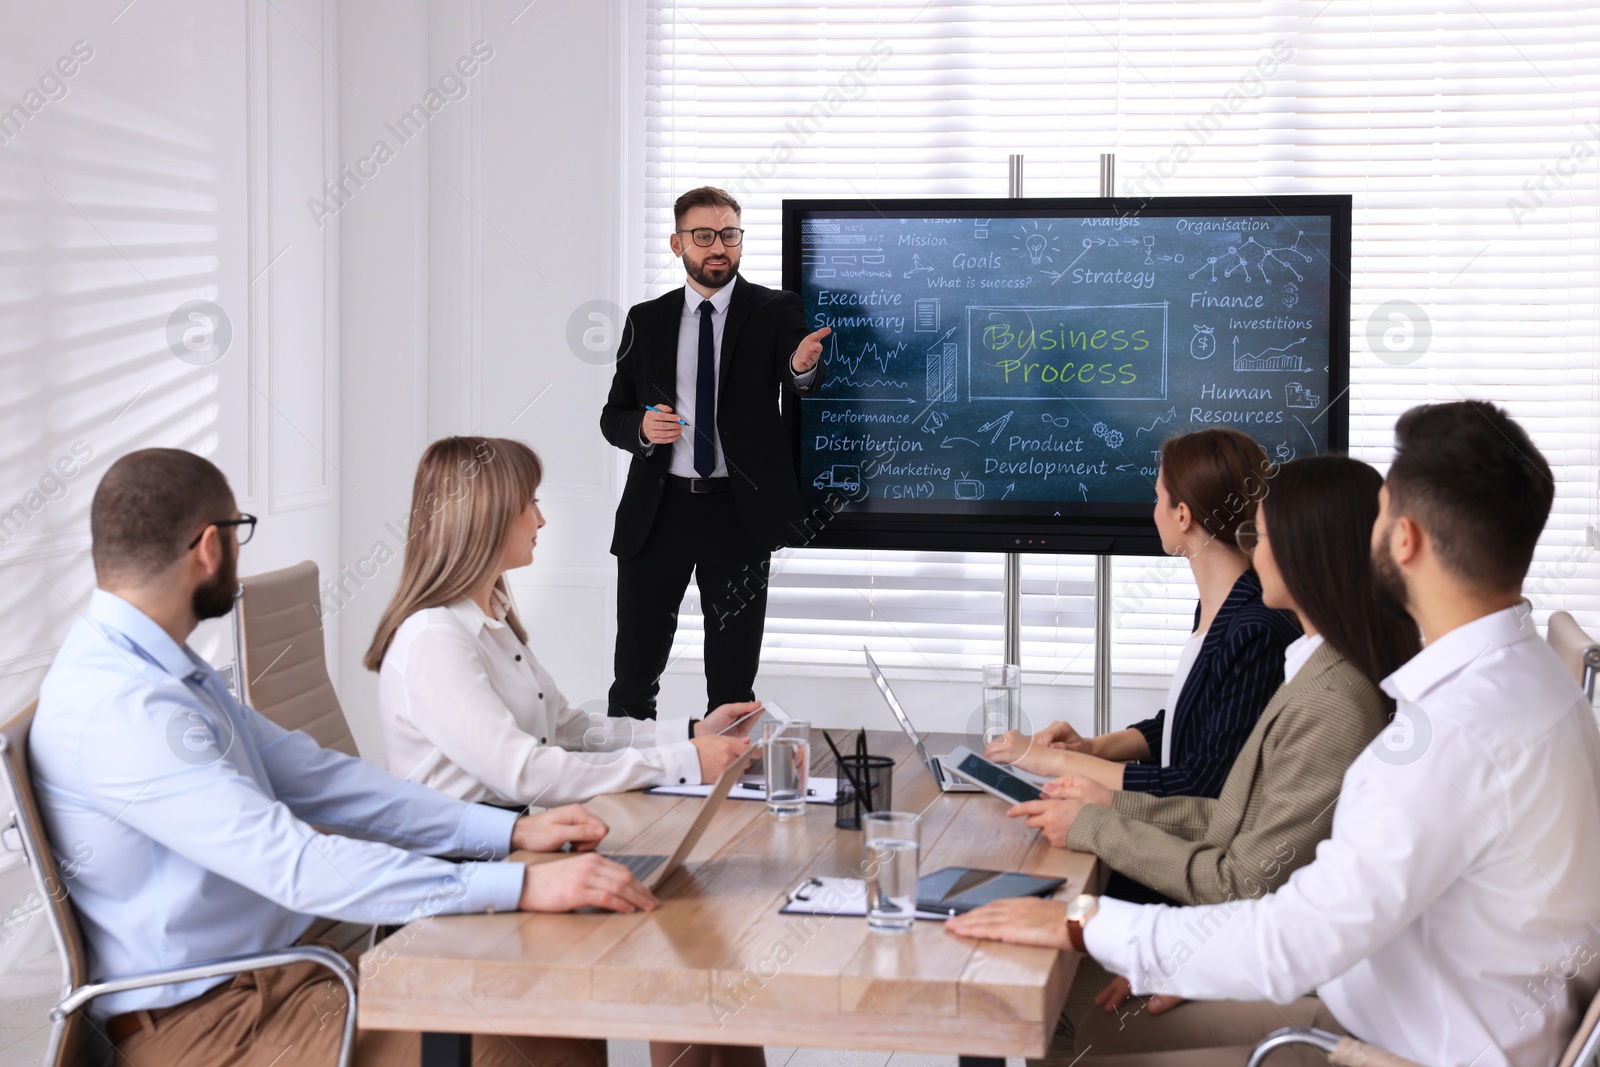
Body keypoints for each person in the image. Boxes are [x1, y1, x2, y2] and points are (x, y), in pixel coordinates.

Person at [946, 401, 1600, 1067]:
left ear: (1404, 539)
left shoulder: (1443, 737)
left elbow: (1292, 936)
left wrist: (1084, 921)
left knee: (1052, 1029)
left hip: (1386, 1038)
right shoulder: (1535, 683)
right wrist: (1187, 957)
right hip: (1394, 997)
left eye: (1377, 512)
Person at [31, 448, 660, 1067]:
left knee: (553, 1011)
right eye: (239, 532)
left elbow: (326, 780)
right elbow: (296, 863)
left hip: (282, 978)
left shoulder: (164, 672)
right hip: (212, 1024)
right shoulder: (125, 707)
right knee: (517, 1045)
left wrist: (512, 832)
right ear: (209, 547)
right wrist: (520, 882)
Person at [1004, 455, 1419, 1049]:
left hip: (1295, 979)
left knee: (1054, 999)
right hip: (1264, 941)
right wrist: (1102, 814)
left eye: (1263, 535)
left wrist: (1100, 827)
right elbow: (1233, 819)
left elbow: (1239, 882)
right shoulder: (1318, 668)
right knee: (1051, 963)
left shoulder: (1333, 701)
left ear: (1307, 553)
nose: (1252, 550)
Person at [369, 436, 758, 808]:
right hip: (464, 862)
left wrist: (692, 733)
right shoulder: (435, 640)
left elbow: (568, 730)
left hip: (518, 838)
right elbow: (524, 772)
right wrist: (684, 763)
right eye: (530, 503)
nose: (541, 520)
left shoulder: (493, 619)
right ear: (486, 517)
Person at [600, 185, 828, 726]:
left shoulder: (775, 310)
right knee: (634, 672)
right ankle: (626, 788)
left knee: (731, 682)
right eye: (703, 236)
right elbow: (613, 415)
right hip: (658, 515)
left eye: (729, 235)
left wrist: (800, 366)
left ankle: (722, 797)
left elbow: (798, 378)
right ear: (678, 245)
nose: (717, 247)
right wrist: (641, 427)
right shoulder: (646, 319)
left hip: (737, 515)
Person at [986, 428, 1300, 807]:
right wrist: (1093, 747)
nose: (1153, 510)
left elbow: (1200, 785)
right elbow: (1189, 724)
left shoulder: (1255, 631)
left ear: (1182, 515)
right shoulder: (1219, 607)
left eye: (1158, 498)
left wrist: (1051, 760)